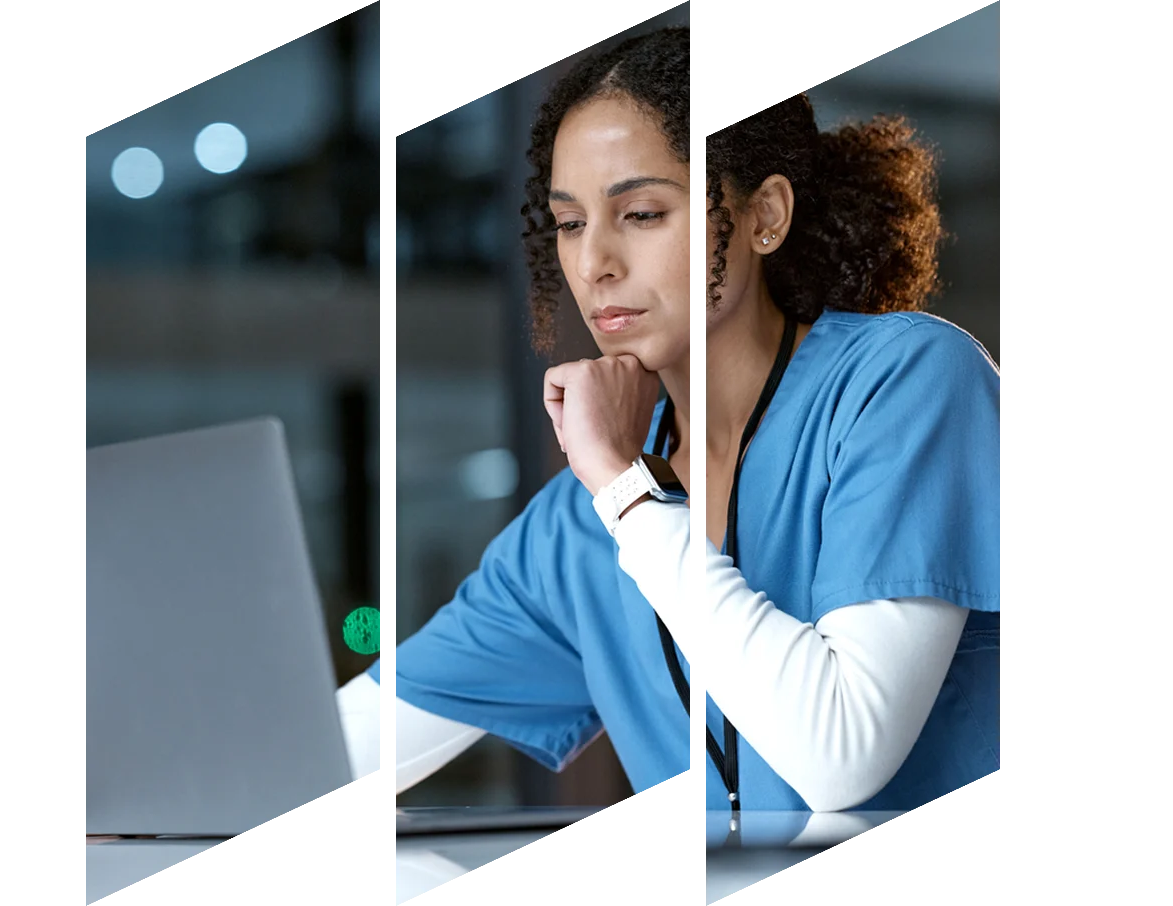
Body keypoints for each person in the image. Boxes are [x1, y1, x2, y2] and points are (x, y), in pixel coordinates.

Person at [339, 24, 1000, 814]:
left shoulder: (904, 383)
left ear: (765, 215)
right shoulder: (573, 533)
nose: (593, 264)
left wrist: (628, 491)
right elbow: (331, 757)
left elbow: (840, 753)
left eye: (642, 213)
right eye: (572, 223)